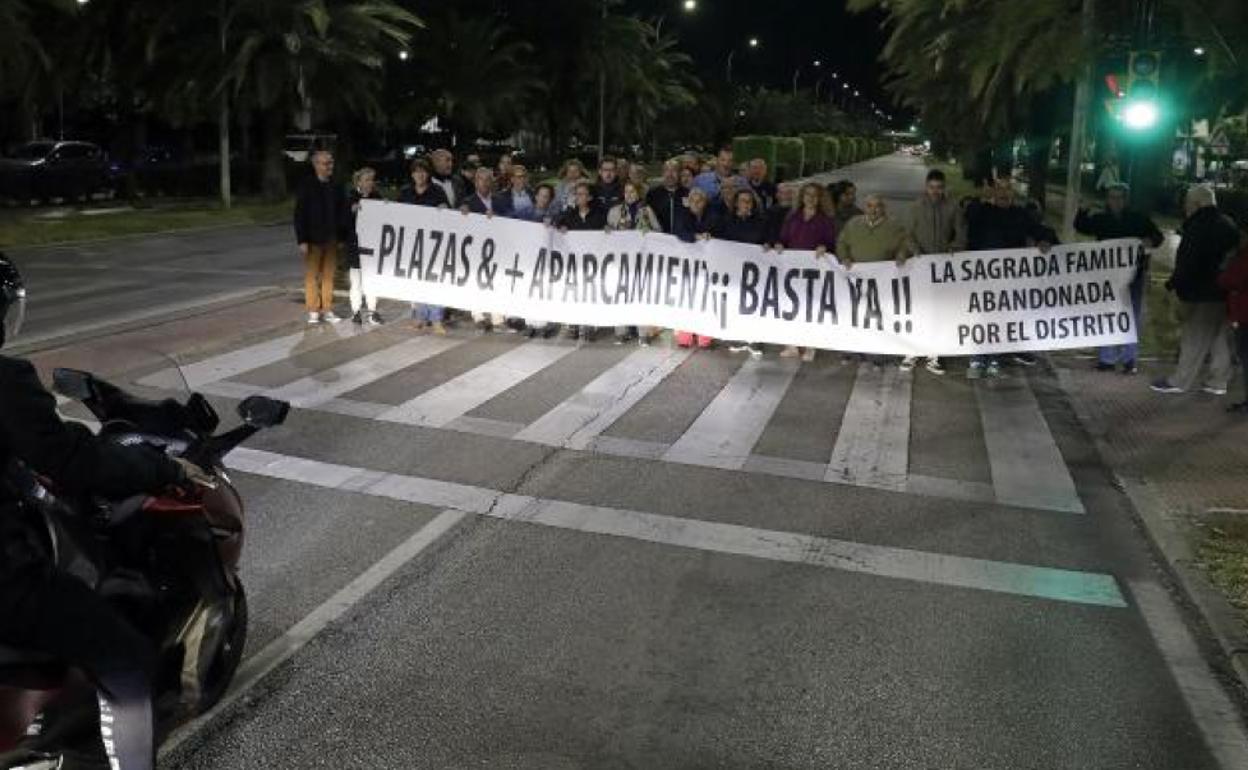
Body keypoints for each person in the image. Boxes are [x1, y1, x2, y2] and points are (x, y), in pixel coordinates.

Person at [0, 253, 208, 770]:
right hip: (5, 585)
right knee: (127, 663)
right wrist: (164, 471)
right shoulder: (5, 381)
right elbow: (70, 457)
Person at [1151, 185, 1240, 396]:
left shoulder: (1197, 226)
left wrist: (1172, 285)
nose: (1185, 208)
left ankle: (1179, 381)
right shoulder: (1228, 224)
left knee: (1193, 338)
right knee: (1220, 339)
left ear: (1197, 204)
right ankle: (1218, 382)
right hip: (1225, 291)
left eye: (1188, 204)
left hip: (1200, 292)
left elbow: (1187, 262)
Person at [964, 178, 1058, 378]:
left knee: (1001, 318)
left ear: (1013, 196)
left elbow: (1043, 231)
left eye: (1008, 191)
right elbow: (968, 215)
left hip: (1009, 279)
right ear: (994, 194)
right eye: (1000, 191)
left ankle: (994, 360)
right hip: (982, 277)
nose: (1004, 195)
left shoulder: (1021, 215)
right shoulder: (982, 211)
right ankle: (976, 360)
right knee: (980, 317)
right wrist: (982, 198)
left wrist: (1045, 240)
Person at [1074, 182, 1164, 374]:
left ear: (1125, 200)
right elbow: (1080, 226)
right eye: (1111, 197)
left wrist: (1150, 240)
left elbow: (1158, 236)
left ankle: (1129, 359)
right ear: (1107, 199)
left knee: (1132, 316)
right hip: (1107, 278)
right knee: (1107, 315)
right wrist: (1082, 210)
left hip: (1133, 278)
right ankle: (1106, 358)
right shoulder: (1101, 219)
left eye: (1118, 197)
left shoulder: (1138, 219)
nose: (1114, 201)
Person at [901, 168, 967, 375]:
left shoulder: (953, 207)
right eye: (931, 187)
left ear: (944, 187)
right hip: (920, 266)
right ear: (926, 187)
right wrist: (916, 252)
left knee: (939, 311)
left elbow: (962, 233)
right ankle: (911, 352)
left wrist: (953, 248)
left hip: (943, 269)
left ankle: (934, 355)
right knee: (917, 309)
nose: (935, 191)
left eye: (939, 187)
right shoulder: (915, 207)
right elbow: (908, 234)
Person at [775, 183, 838, 362]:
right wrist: (779, 244)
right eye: (807, 194)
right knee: (791, 306)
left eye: (814, 195)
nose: (810, 198)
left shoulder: (825, 220)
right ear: (802, 196)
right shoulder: (793, 217)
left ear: (820, 199)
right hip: (793, 270)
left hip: (814, 271)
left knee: (812, 308)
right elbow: (783, 238)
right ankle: (792, 345)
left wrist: (824, 247)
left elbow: (832, 244)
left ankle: (810, 345)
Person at [293, 150, 348, 325]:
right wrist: (301, 239)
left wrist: (342, 237)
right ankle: (313, 310)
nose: (330, 166)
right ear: (316, 164)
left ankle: (327, 309)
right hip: (313, 239)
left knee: (328, 276)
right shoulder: (307, 185)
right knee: (312, 276)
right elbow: (300, 214)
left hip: (332, 238)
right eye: (326, 163)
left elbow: (343, 211)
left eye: (331, 162)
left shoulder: (336, 185)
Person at [398, 159, 451, 333]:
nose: (420, 175)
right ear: (412, 174)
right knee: (415, 280)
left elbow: (448, 213)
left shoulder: (437, 191)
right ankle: (420, 317)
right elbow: (395, 214)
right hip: (412, 244)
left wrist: (444, 208)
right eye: (416, 171)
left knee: (435, 279)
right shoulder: (405, 192)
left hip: (433, 244)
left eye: (423, 171)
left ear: (428, 174)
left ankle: (436, 319)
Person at [608, 180, 663, 345]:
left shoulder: (646, 210)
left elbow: (659, 231)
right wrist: (608, 229)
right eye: (626, 192)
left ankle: (643, 333)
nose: (629, 195)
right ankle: (621, 331)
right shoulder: (616, 211)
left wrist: (646, 231)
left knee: (640, 294)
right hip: (621, 260)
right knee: (621, 293)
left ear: (639, 193)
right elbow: (608, 230)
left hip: (641, 260)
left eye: (633, 191)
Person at [715, 189, 768, 358]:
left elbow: (767, 239)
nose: (745, 204)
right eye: (742, 200)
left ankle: (754, 339)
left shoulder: (760, 221)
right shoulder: (726, 220)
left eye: (748, 201)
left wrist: (768, 244)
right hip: (733, 269)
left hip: (755, 270)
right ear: (736, 203)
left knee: (754, 304)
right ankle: (736, 337)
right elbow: (719, 240)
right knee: (735, 303)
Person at [555, 182, 608, 341]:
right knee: (574, 292)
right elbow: (557, 226)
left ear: (589, 197)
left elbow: (606, 234)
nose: (579, 197)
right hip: (575, 262)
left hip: (593, 262)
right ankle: (574, 324)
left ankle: (589, 325)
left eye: (582, 194)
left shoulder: (598, 216)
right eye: (577, 194)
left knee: (590, 293)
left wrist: (607, 230)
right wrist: (561, 227)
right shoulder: (569, 215)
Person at [460, 167, 506, 331]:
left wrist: (498, 217)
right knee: (476, 280)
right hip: (476, 248)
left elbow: (510, 218)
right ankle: (478, 315)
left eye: (488, 179)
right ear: (475, 182)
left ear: (492, 182)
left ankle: (497, 316)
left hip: (497, 247)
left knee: (496, 280)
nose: (485, 183)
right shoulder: (468, 202)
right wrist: (463, 214)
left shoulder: (500, 200)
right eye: (481, 179)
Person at [673, 188, 718, 350]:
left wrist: (709, 236)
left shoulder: (712, 216)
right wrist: (696, 236)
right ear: (689, 202)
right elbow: (679, 232)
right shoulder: (682, 215)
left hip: (707, 265)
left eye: (699, 201)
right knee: (686, 299)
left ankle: (704, 337)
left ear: (704, 202)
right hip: (686, 265)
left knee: (705, 299)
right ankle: (685, 336)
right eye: (693, 200)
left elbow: (717, 232)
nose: (696, 204)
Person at [517, 184, 560, 339]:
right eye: (541, 195)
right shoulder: (524, 213)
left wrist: (556, 226)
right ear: (535, 196)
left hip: (546, 259)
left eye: (546, 196)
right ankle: (530, 324)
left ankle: (544, 324)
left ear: (550, 199)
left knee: (544, 289)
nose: (543, 198)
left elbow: (561, 231)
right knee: (528, 289)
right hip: (528, 257)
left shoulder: (555, 215)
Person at [346, 167, 383, 326]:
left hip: (372, 245)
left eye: (372, 179)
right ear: (359, 181)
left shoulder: (377, 196)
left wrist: (386, 206)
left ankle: (372, 311)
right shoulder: (350, 197)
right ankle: (356, 311)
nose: (370, 183)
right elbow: (343, 219)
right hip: (356, 244)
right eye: (367, 179)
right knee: (356, 279)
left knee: (372, 278)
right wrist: (351, 210)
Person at [1217, 230, 1248, 412]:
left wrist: (1224, 270)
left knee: (1245, 356)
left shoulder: (1243, 257)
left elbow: (1230, 280)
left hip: (1244, 314)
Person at [646, 160, 687, 234]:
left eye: (674, 170)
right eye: (667, 170)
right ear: (662, 173)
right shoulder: (652, 194)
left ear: (679, 174)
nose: (670, 174)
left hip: (682, 239)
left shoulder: (688, 193)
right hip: (659, 238)